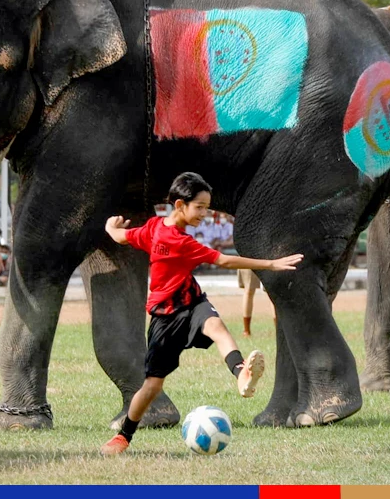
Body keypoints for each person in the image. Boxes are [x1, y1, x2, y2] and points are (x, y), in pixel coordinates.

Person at [98, 172, 303, 456]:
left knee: (217, 327)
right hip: (165, 316)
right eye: (200, 207)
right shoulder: (177, 241)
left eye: (207, 207)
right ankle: (124, 437)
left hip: (192, 302)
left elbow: (123, 236)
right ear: (180, 204)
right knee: (152, 386)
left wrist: (110, 228)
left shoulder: (154, 227)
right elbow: (224, 260)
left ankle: (243, 374)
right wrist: (270, 263)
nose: (205, 214)